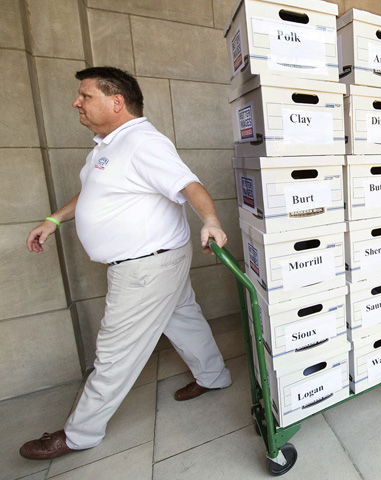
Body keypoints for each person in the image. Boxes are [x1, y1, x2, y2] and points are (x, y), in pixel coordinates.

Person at [20, 67, 233, 459]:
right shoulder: (106, 145)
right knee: (183, 318)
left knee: (115, 351)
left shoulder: (142, 142)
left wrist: (212, 221)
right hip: (156, 261)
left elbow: (190, 185)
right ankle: (214, 375)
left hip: (146, 268)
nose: (76, 103)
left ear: (116, 102)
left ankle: (79, 433)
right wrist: (53, 221)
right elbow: (93, 194)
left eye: (85, 96)